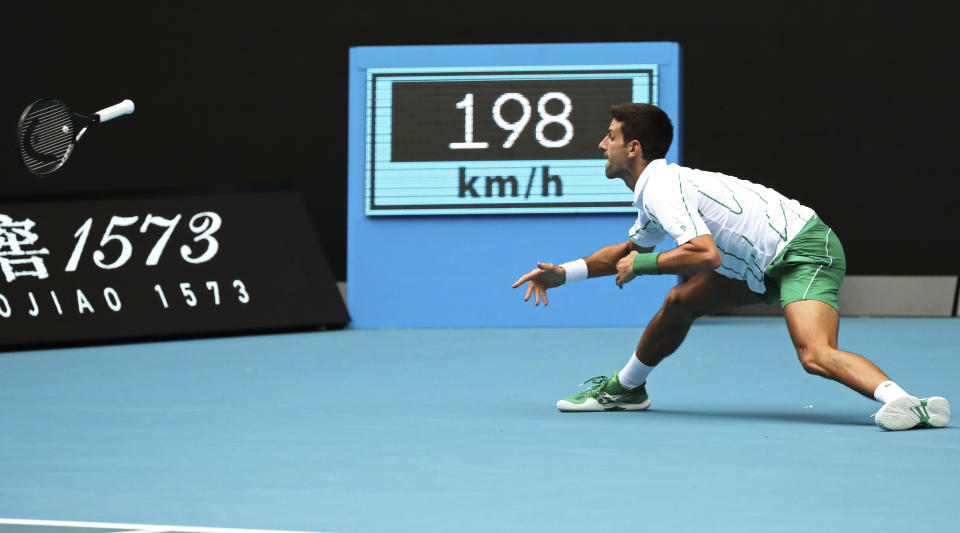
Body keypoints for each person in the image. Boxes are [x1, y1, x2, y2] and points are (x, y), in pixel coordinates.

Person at [511, 102, 949, 431]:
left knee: (814, 353)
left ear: (634, 147)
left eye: (609, 136)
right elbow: (624, 251)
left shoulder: (661, 186)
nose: (601, 145)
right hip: (759, 265)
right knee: (681, 301)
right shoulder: (655, 189)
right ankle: (625, 389)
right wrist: (564, 273)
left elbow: (705, 254)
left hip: (803, 251)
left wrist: (644, 264)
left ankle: (910, 402)